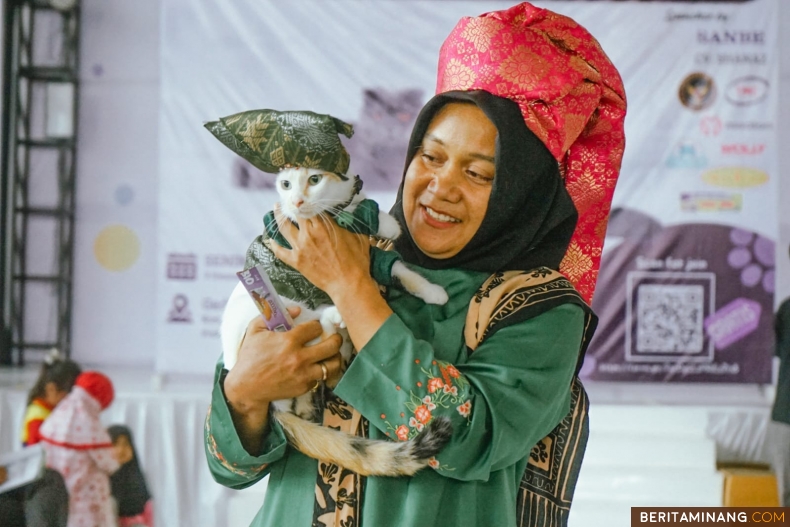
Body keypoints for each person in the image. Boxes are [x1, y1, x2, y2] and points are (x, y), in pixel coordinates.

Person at [204, 3, 625, 527]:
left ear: (522, 194)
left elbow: (462, 436)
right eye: (431, 157)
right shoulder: (351, 249)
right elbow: (231, 467)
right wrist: (243, 393)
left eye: (478, 173)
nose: (441, 186)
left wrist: (349, 286)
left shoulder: (537, 310)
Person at [40, 371, 120, 527]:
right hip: (86, 499)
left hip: (56, 492)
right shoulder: (91, 426)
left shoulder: (58, 415)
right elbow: (109, 463)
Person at [108, 425, 154, 527]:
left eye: (125, 444)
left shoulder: (136, 476)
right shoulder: (100, 479)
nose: (120, 450)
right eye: (115, 444)